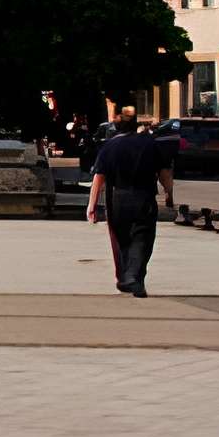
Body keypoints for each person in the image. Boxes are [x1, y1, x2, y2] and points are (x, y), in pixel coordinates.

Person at [85, 108, 175, 297]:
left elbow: (99, 178)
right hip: (144, 198)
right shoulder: (150, 145)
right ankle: (134, 278)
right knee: (142, 239)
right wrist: (169, 195)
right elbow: (165, 174)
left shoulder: (110, 146)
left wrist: (92, 205)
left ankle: (129, 277)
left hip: (118, 199)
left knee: (122, 239)